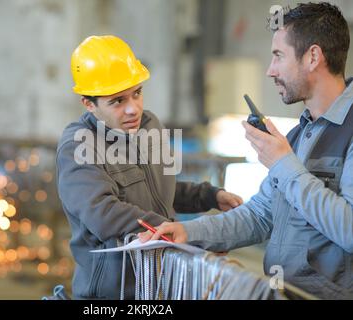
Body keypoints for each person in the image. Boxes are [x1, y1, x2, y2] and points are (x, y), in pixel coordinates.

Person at [140, 2, 353, 300]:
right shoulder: (298, 135)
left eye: (278, 56)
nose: (270, 70)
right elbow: (260, 216)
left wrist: (283, 164)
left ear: (313, 57)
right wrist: (190, 232)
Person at [56, 35, 243, 299]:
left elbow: (161, 188)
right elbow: (103, 214)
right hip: (114, 294)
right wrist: (183, 234)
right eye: (117, 101)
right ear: (89, 104)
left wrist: (210, 196)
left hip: (163, 282)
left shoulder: (149, 125)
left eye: (137, 93)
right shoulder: (78, 146)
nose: (133, 109)